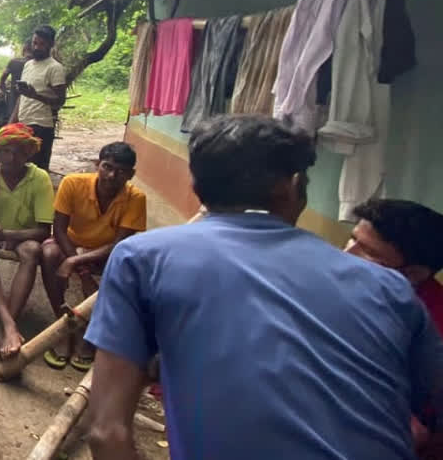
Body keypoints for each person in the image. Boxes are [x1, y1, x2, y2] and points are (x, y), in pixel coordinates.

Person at [85, 116, 443, 460]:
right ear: (296, 186)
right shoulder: (390, 288)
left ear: (196, 188)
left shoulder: (142, 258)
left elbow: (107, 434)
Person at [345, 198, 443, 455]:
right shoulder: (341, 288)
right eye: (351, 239)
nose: (346, 254)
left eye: (368, 251)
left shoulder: (433, 325)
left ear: (414, 274)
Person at [41, 142, 145, 371]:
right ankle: (63, 327)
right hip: (70, 243)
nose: (111, 175)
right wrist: (83, 271)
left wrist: (76, 262)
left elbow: (120, 244)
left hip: (106, 251)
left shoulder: (136, 198)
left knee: (127, 266)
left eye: (121, 171)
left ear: (131, 174)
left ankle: (89, 336)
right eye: (106, 167)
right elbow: (59, 229)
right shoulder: (73, 183)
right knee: (48, 253)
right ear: (97, 165)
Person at [0, 124, 55, 360]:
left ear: (28, 154)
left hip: (22, 237)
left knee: (32, 251)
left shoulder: (39, 178)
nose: (11, 158)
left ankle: (7, 326)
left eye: (19, 152)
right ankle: (8, 323)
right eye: (5, 152)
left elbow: (43, 231)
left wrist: (6, 235)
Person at [12, 25, 66, 170]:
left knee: (36, 172)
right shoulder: (28, 65)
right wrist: (11, 122)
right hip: (23, 125)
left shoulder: (55, 68)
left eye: (42, 44)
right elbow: (22, 97)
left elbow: (60, 101)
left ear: (51, 45)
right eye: (35, 43)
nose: (36, 47)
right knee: (19, 169)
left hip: (41, 127)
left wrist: (36, 96)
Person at [0, 41, 31, 127]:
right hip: (31, 103)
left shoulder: (14, 62)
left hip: (14, 99)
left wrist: (4, 93)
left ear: (24, 49)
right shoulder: (38, 64)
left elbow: (2, 79)